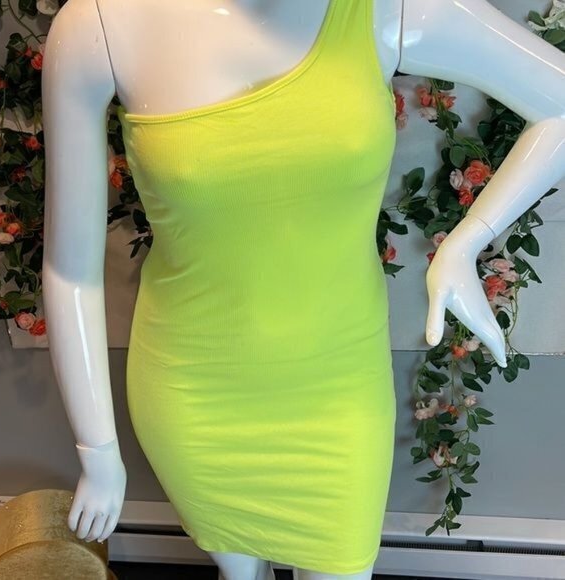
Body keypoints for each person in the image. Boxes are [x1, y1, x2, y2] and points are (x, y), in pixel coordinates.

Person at [41, 1, 565, 578]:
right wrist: (98, 451)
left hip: (339, 389)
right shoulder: (101, 24)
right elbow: (69, 272)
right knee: (239, 572)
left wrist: (466, 243)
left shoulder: (389, 9)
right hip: (194, 392)